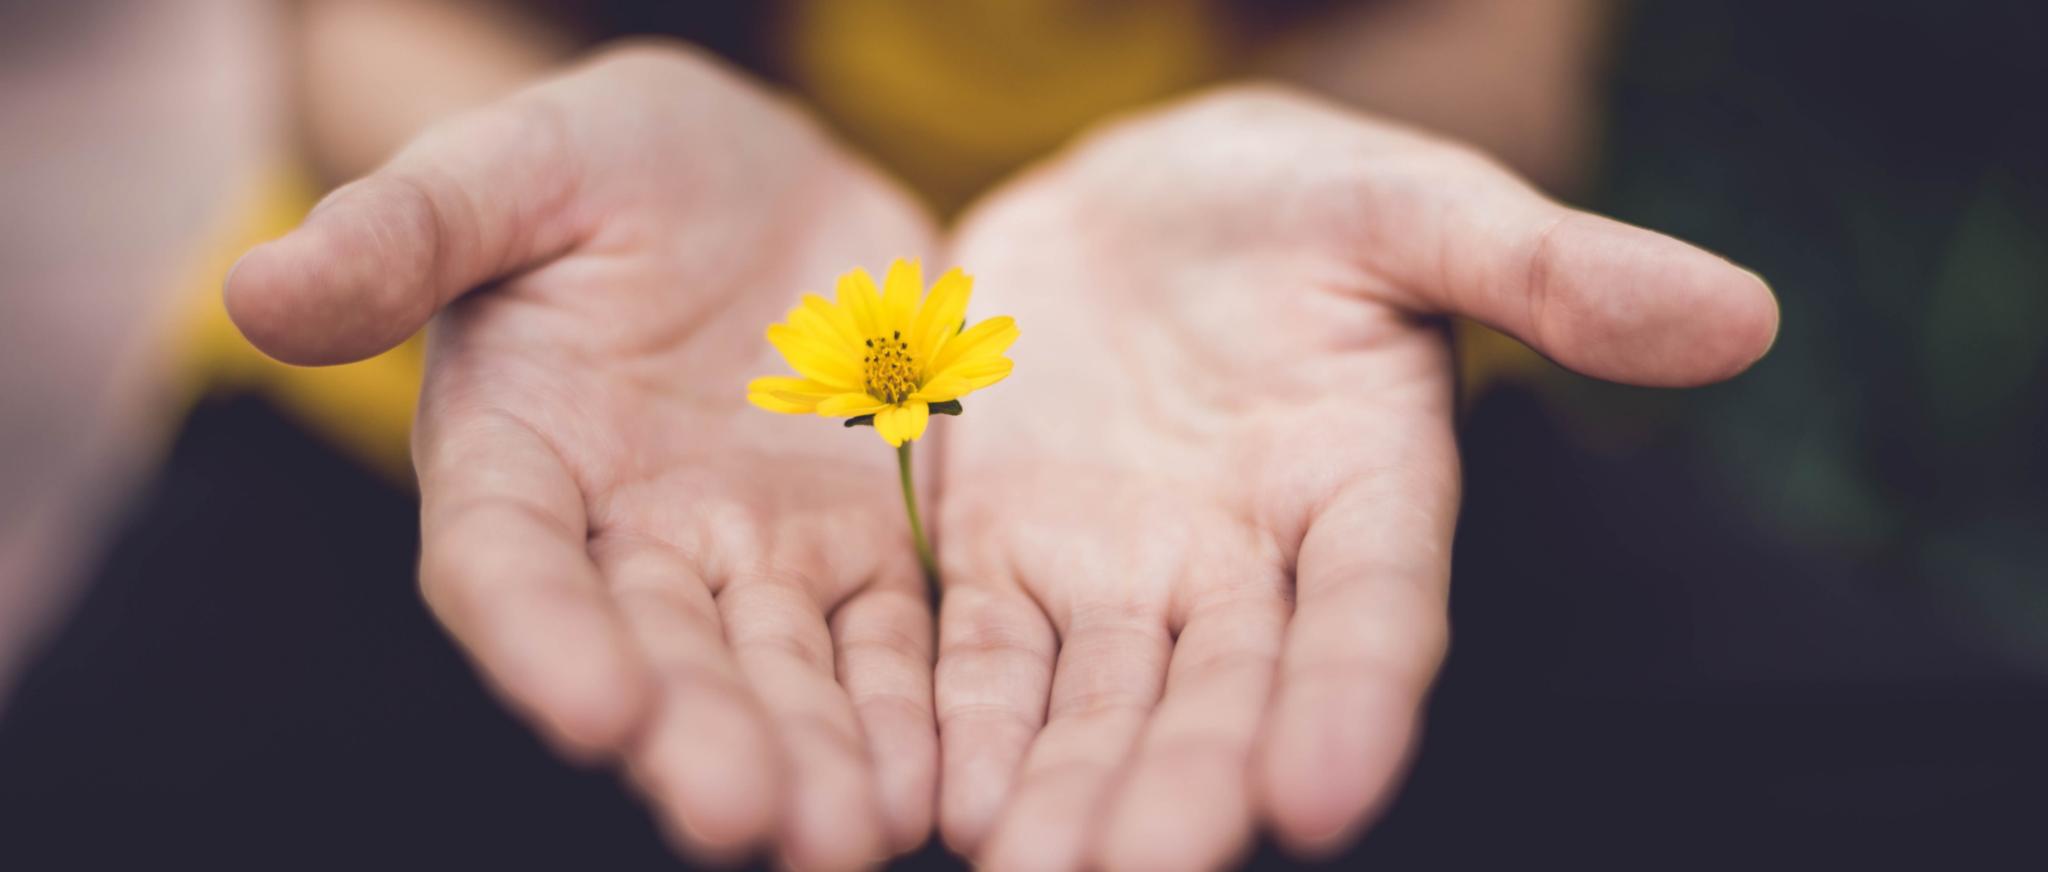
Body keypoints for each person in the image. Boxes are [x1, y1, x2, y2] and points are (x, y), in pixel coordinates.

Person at [218, 28, 1775, 872]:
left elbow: (1491, 53)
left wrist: (1278, 191)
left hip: (1266, 406)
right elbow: (358, 32)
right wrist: (532, 169)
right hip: (552, 394)